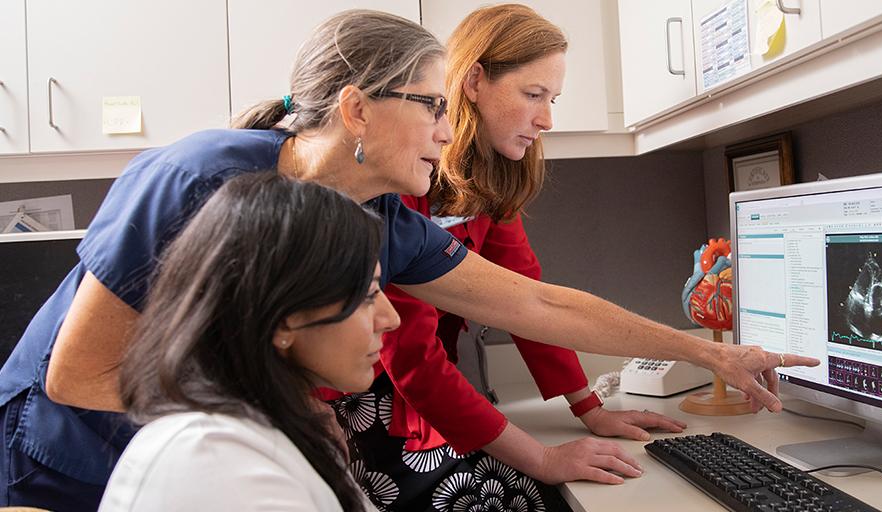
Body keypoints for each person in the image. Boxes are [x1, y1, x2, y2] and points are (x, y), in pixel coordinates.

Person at [0, 9, 815, 510]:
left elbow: (537, 305)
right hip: (68, 461)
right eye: (431, 105)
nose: (442, 127)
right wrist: (282, 424)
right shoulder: (197, 180)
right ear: (356, 108)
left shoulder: (374, 216)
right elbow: (78, 379)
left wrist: (710, 351)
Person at [335, 6, 684, 510]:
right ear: (474, 80)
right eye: (533, 94)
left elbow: (531, 303)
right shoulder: (405, 178)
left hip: (427, 394)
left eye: (553, 98)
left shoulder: (491, 181)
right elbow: (409, 354)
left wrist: (589, 407)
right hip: (376, 401)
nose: (546, 119)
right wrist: (542, 460)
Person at [99, 172, 393, 511]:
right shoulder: (213, 460)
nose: (390, 319)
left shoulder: (276, 430)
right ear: (282, 318)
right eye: (367, 295)